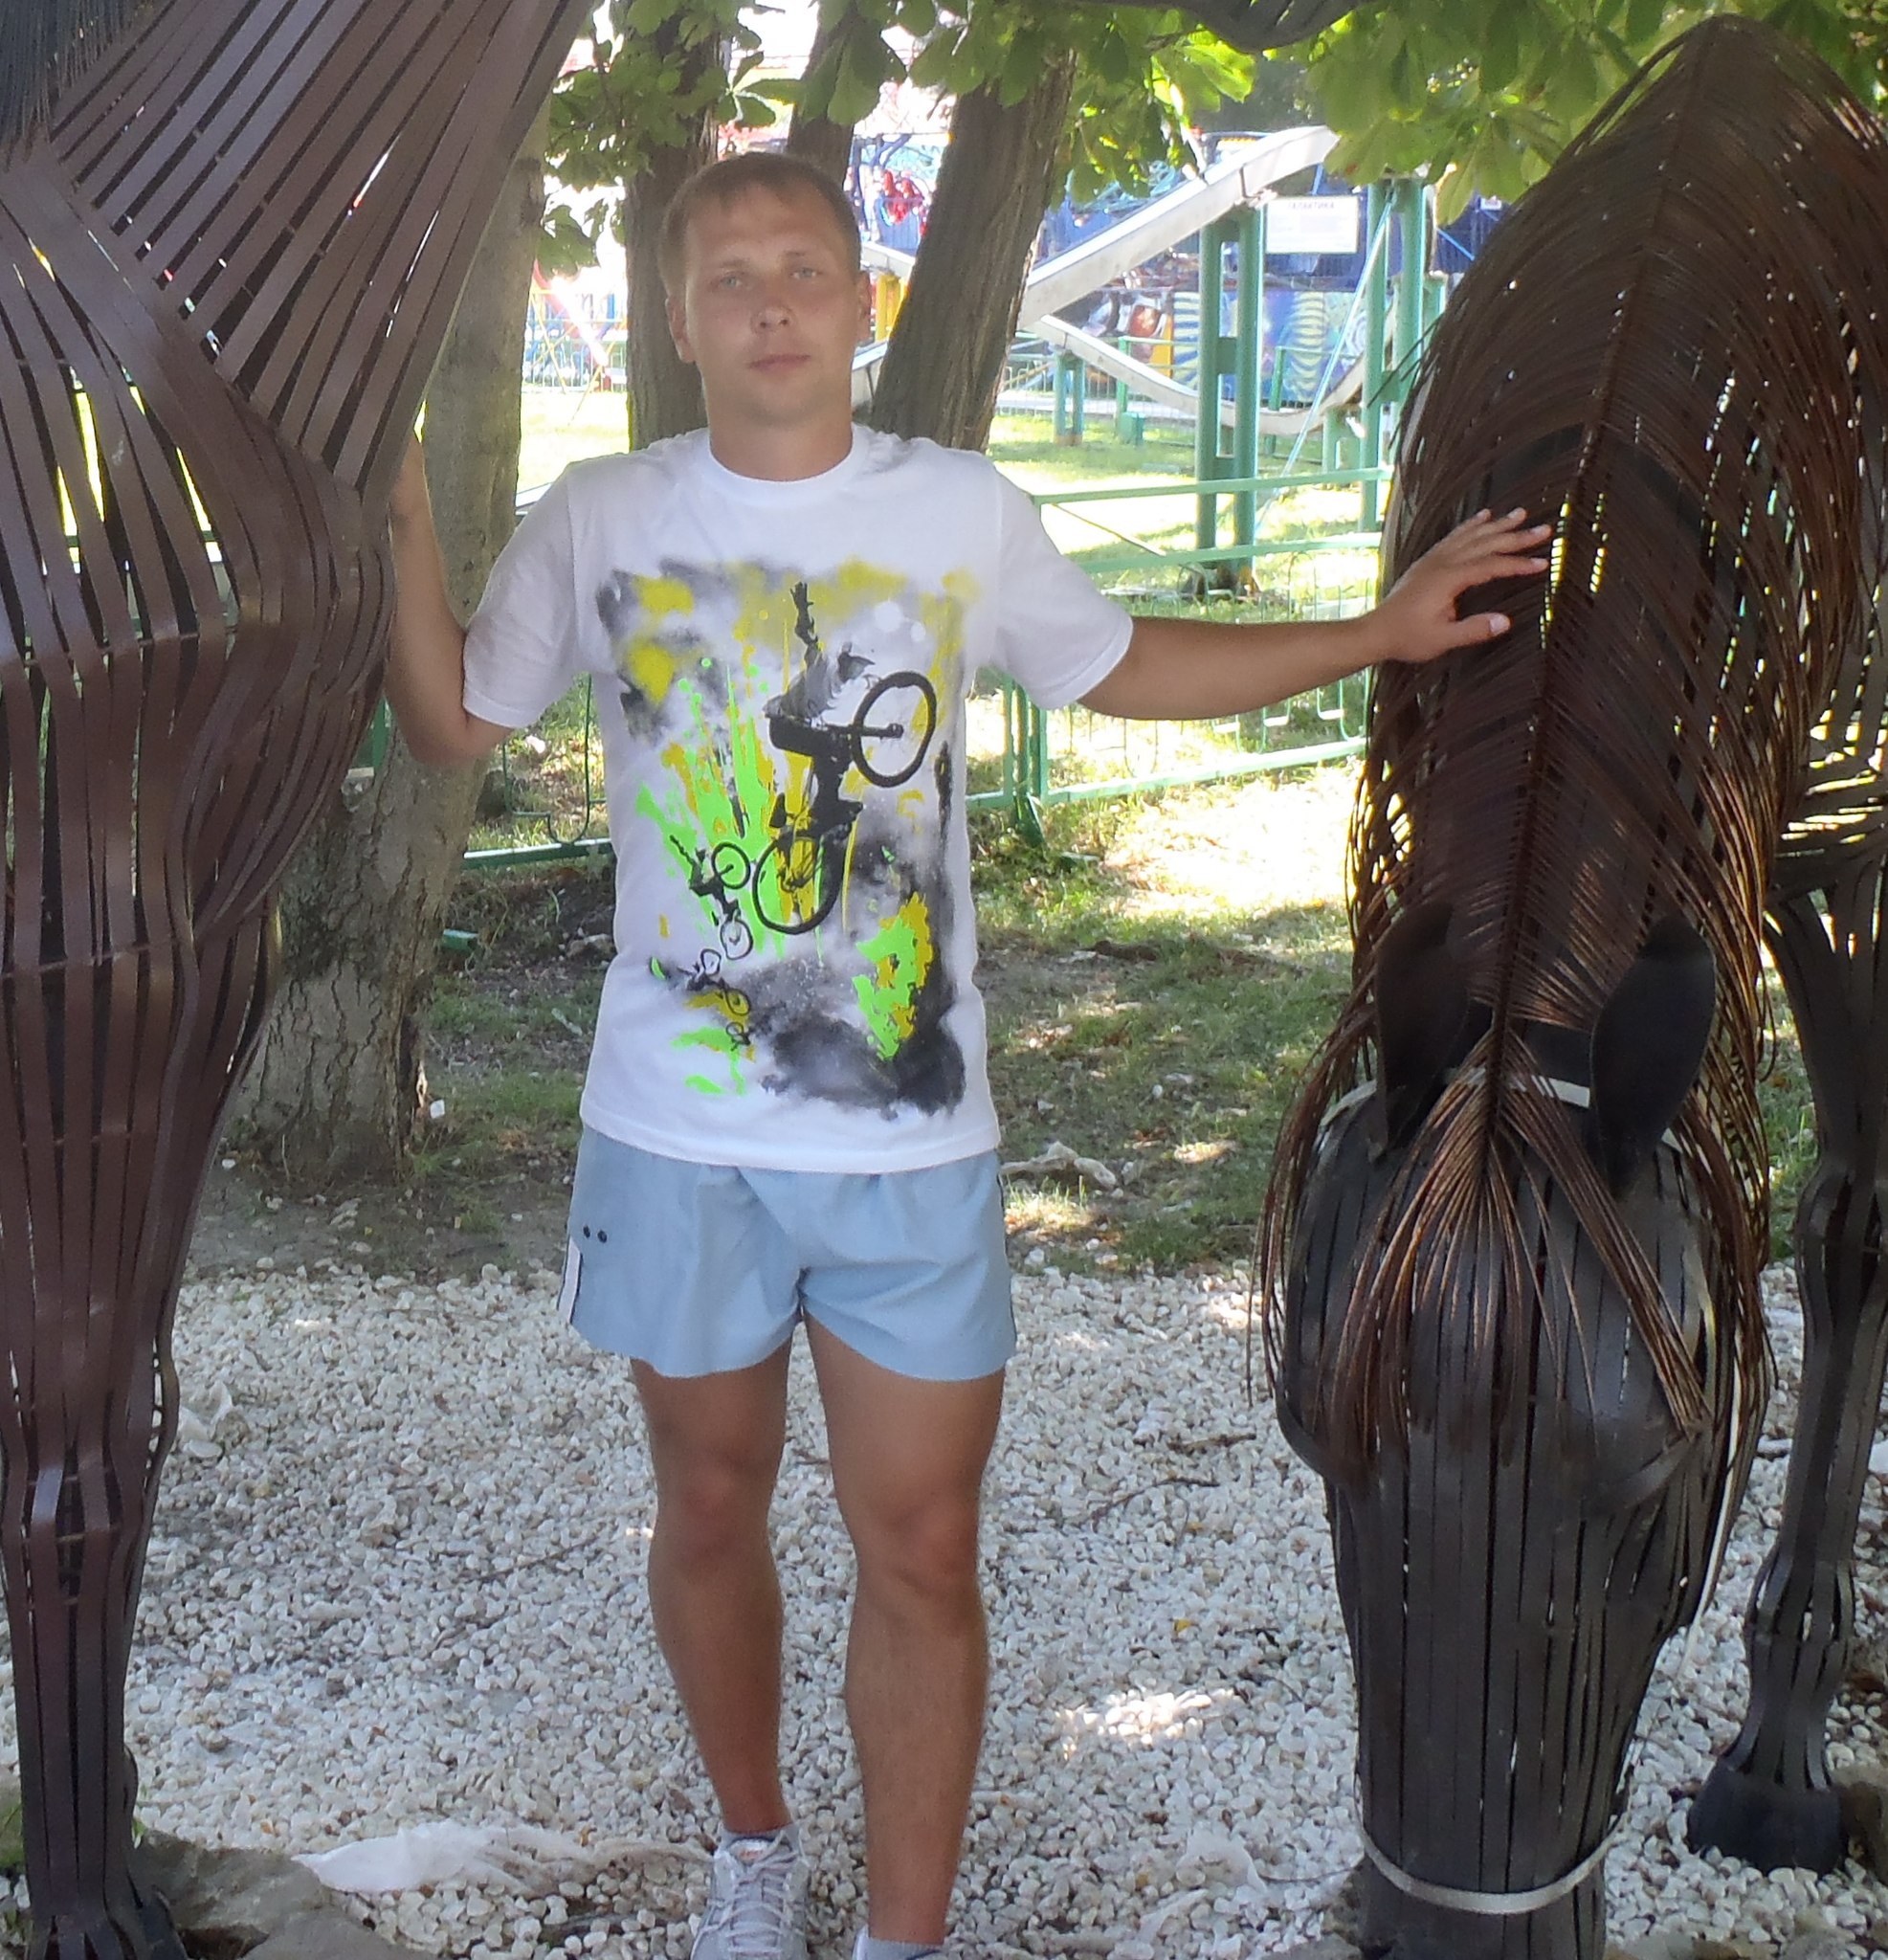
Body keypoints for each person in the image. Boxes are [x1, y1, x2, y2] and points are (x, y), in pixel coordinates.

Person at [383, 149, 1549, 1960]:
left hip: (908, 1142)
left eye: (802, 267)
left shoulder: (955, 511)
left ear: (862, 299)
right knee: (707, 1504)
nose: (770, 303)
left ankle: (902, 1942)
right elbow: (457, 720)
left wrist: (1377, 633)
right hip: (677, 1132)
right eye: (727, 278)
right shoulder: (604, 514)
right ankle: (754, 1852)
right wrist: (394, 499)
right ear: (677, 322)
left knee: (922, 1545)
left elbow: (1117, 665)